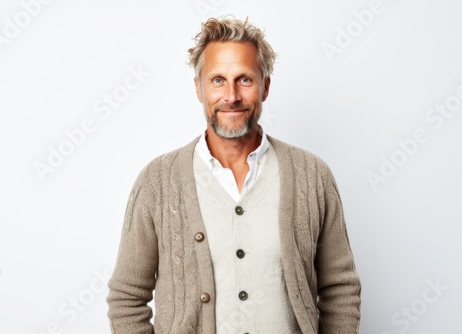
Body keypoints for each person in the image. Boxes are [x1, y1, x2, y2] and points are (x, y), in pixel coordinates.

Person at [107, 16, 361, 334]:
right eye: (217, 80)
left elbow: (341, 290)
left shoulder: (312, 176)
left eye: (244, 80)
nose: (231, 96)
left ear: (265, 86)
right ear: (199, 88)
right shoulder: (157, 182)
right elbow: (127, 298)